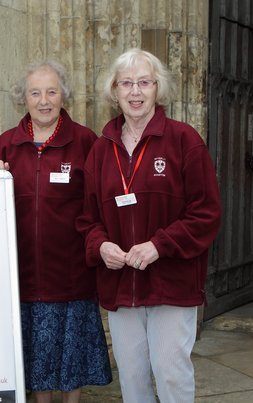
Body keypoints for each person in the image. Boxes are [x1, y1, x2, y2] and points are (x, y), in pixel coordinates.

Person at [76, 48, 221, 403]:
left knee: (171, 375)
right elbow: (87, 219)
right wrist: (100, 246)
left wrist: (160, 245)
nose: (135, 92)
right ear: (114, 91)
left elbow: (206, 212)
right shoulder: (100, 150)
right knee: (133, 378)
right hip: (121, 285)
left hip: (172, 281)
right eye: (126, 83)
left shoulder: (184, 141)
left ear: (158, 89)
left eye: (144, 82)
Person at [0, 60, 112, 403]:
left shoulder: (86, 141)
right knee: (37, 357)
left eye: (51, 92)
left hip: (72, 274)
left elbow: (101, 202)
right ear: (23, 99)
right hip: (24, 274)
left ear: (63, 96)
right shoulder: (6, 145)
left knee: (72, 356)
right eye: (35, 92)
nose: (44, 100)